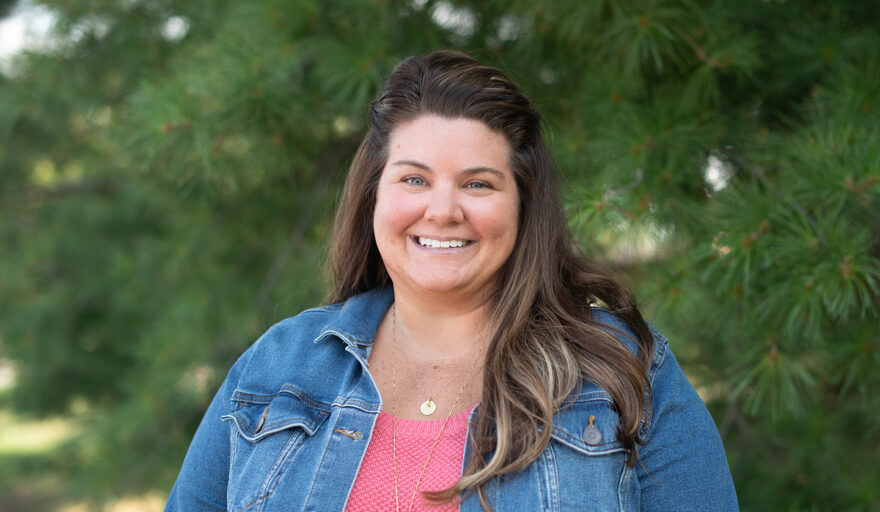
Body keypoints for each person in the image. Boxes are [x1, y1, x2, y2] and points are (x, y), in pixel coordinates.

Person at [165, 50, 738, 512]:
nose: (443, 210)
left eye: (478, 184)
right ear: (374, 196)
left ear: (523, 206)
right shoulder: (280, 366)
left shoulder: (620, 366)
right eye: (414, 179)